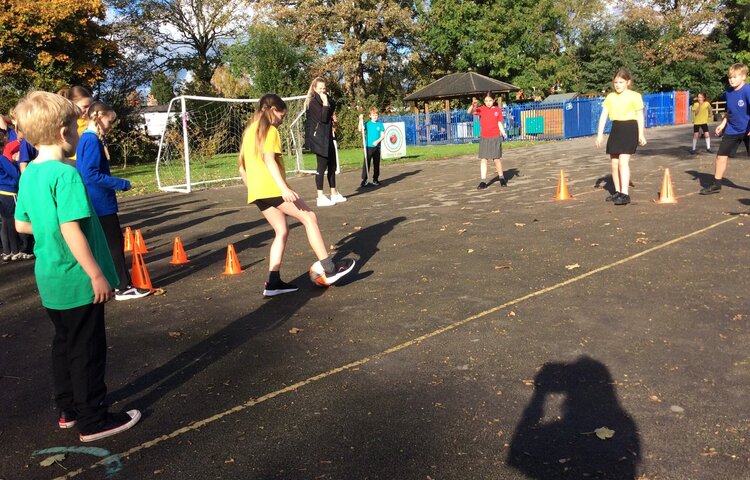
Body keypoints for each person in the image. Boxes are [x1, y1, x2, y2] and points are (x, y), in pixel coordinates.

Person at [13, 91, 141, 442]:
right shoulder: (65, 175)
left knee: (64, 343)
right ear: (63, 131)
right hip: (76, 276)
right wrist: (97, 273)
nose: (77, 128)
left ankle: (68, 409)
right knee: (87, 349)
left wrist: (48, 223)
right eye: (74, 123)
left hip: (50, 277)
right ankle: (93, 419)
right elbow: (70, 228)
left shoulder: (30, 175)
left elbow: (22, 225)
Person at [239, 94, 355, 296]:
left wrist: (254, 189)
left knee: (281, 230)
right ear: (273, 110)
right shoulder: (270, 130)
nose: (282, 121)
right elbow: (269, 160)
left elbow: (242, 168)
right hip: (271, 188)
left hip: (257, 191)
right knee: (309, 217)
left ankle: (273, 283)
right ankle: (329, 269)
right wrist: (283, 188)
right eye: (282, 116)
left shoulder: (249, 131)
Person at [75, 101, 150, 301]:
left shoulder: (86, 139)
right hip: (100, 203)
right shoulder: (91, 140)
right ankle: (123, 287)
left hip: (96, 201)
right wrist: (121, 183)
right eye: (109, 120)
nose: (110, 125)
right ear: (98, 116)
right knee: (114, 246)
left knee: (105, 246)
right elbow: (90, 174)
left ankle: (110, 284)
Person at [596, 68, 647, 205]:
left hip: (629, 128)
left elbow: (640, 116)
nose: (617, 85)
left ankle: (625, 194)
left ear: (628, 82)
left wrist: (641, 133)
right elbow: (603, 116)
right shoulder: (610, 97)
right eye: (616, 82)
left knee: (623, 161)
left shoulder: (635, 96)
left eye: (621, 82)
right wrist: (600, 134)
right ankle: (617, 192)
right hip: (616, 129)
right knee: (614, 163)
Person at [700, 63, 750, 195]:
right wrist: (722, 124)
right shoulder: (728, 93)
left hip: (747, 129)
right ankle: (716, 185)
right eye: (730, 77)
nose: (731, 80)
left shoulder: (747, 90)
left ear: (743, 77)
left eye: (735, 77)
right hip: (733, 129)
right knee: (721, 156)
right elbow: (730, 111)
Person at [304, 77, 346, 207]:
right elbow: (323, 118)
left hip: (327, 135)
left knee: (332, 165)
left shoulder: (327, 99)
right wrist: (325, 103)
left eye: (324, 89)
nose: (323, 91)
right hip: (318, 138)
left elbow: (333, 105)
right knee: (321, 166)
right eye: (320, 89)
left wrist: (327, 101)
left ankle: (334, 193)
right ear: (315, 89)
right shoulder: (313, 103)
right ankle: (320, 196)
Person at [467, 92, 508, 189]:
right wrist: (472, 105)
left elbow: (499, 123)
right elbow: (469, 112)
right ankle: (483, 181)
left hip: (495, 137)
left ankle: (501, 178)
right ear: (483, 101)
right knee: (483, 159)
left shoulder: (497, 110)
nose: (488, 102)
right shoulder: (481, 109)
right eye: (486, 101)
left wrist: (503, 132)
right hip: (484, 137)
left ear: (493, 100)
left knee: (496, 159)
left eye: (490, 100)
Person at [0, 130, 25, 262]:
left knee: (4, 223)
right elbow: (15, 174)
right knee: (11, 223)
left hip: (1, 192)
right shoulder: (3, 159)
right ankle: (15, 250)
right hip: (9, 192)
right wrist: (15, 163)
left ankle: (6, 251)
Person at [58, 86, 95, 161]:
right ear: (73, 105)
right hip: (71, 163)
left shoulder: (90, 123)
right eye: (85, 106)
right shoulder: (66, 123)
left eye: (90, 106)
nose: (88, 110)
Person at [358, 107, 385, 187]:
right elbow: (360, 129)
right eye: (373, 115)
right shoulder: (367, 124)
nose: (375, 116)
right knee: (366, 163)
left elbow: (382, 135)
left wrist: (377, 141)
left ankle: (375, 179)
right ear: (370, 115)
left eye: (376, 115)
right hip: (368, 147)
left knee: (376, 164)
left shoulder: (380, 124)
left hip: (377, 147)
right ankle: (365, 179)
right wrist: (360, 120)